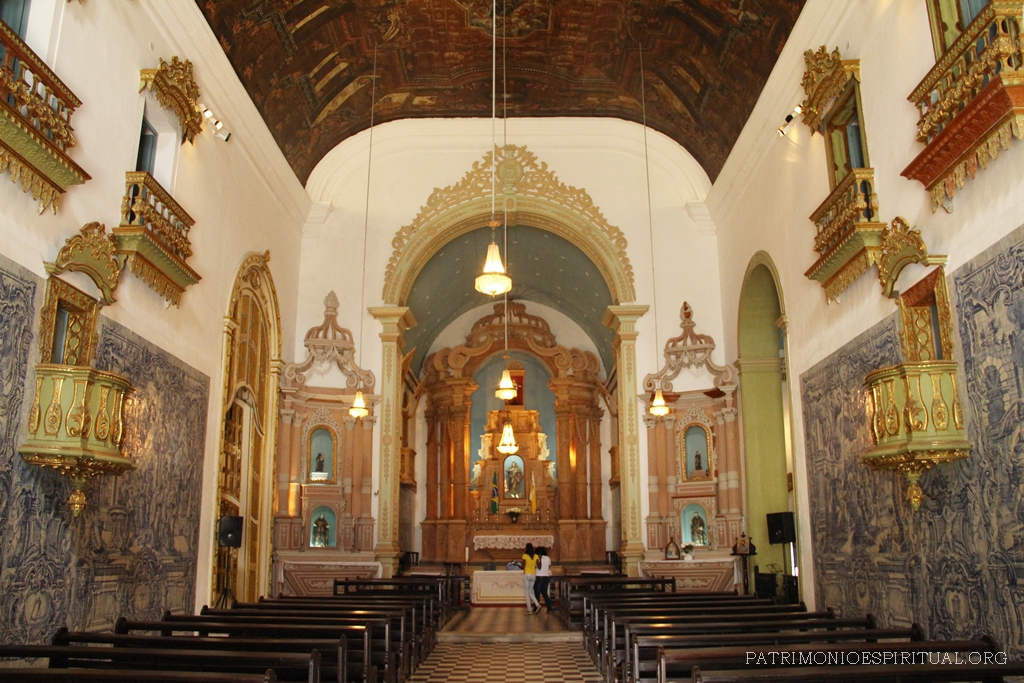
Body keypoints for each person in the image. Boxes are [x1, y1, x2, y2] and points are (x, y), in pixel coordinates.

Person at [521, 543, 541, 614]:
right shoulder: (535, 556)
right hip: (533, 575)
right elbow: (539, 566)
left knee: (527, 593)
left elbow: (523, 567)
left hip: (527, 574)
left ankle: (529, 610)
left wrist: (516, 564)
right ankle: (537, 605)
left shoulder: (525, 556)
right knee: (530, 592)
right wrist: (540, 559)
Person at [534, 547, 553, 612]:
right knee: (544, 593)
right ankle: (549, 608)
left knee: (537, 593)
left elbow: (536, 567)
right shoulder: (548, 558)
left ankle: (536, 607)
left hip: (538, 576)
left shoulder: (537, 558)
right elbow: (549, 566)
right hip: (546, 576)